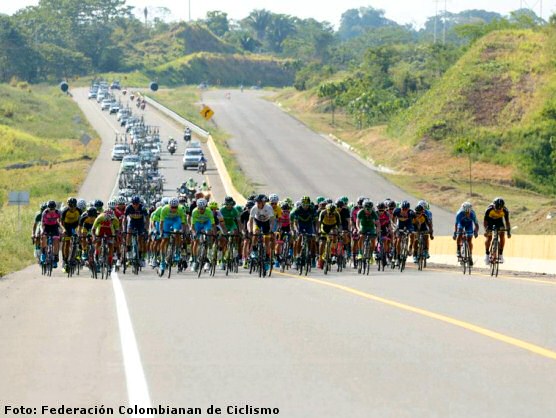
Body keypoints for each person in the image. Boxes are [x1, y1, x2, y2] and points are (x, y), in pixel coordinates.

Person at [483, 197, 511, 264]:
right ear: (494, 205)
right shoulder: (489, 210)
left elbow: (507, 222)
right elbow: (485, 222)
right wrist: (486, 230)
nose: (498, 210)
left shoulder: (505, 210)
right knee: (489, 237)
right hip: (490, 221)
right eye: (496, 209)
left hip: (499, 221)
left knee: (502, 235)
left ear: (503, 207)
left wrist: (508, 231)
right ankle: (487, 255)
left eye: (500, 209)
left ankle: (501, 255)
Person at [40, 201, 62, 268]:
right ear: (48, 208)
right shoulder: (45, 213)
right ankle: (43, 253)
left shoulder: (58, 212)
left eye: (53, 209)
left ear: (55, 208)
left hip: (54, 226)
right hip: (46, 226)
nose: (52, 210)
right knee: (43, 237)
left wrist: (61, 230)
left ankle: (55, 258)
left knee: (56, 240)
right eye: (50, 209)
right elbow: (42, 224)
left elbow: (60, 223)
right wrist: (41, 231)